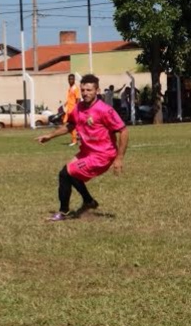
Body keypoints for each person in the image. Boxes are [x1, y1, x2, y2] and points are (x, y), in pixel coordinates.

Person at [36, 74, 128, 222]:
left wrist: (119, 158)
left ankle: (64, 212)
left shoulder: (105, 110)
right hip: (87, 152)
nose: (85, 93)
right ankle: (89, 201)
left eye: (89, 90)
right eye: (83, 90)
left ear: (97, 91)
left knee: (66, 174)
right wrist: (50, 136)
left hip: (102, 155)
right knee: (68, 173)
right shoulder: (78, 108)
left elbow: (123, 130)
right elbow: (70, 125)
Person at [64, 73, 80, 146]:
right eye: (69, 79)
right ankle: (76, 138)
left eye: (72, 79)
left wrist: (76, 108)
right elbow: (71, 98)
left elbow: (78, 99)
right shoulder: (70, 88)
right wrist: (66, 103)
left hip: (73, 110)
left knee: (69, 125)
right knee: (66, 123)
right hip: (69, 109)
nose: (70, 80)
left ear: (74, 80)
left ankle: (74, 140)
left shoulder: (75, 88)